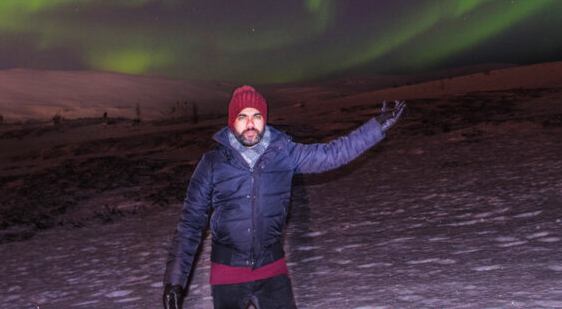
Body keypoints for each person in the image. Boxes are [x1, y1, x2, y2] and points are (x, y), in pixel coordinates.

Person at [162, 85, 405, 309]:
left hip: (272, 269)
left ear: (264, 120)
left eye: (256, 116)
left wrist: (375, 128)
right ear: (231, 122)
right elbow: (190, 223)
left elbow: (332, 154)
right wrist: (175, 282)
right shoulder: (212, 163)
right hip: (227, 274)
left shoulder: (283, 153)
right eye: (242, 116)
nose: (250, 124)